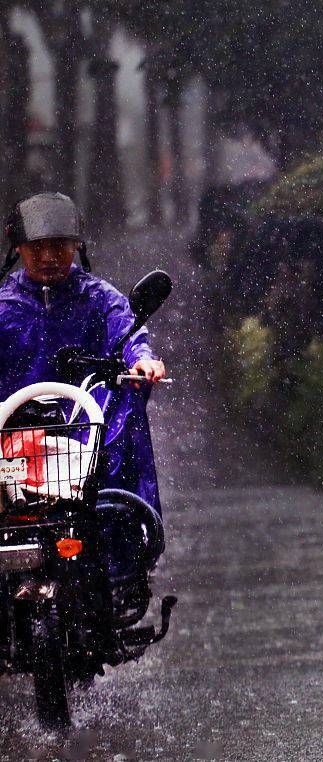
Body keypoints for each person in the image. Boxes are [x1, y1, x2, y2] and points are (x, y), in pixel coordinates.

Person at [0, 191, 166, 536]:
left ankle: (126, 555)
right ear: (18, 248)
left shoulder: (97, 296)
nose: (48, 258)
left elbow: (128, 328)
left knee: (118, 470)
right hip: (11, 430)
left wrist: (143, 361)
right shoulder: (4, 304)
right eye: (37, 248)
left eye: (59, 246)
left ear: (76, 247)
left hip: (85, 430)